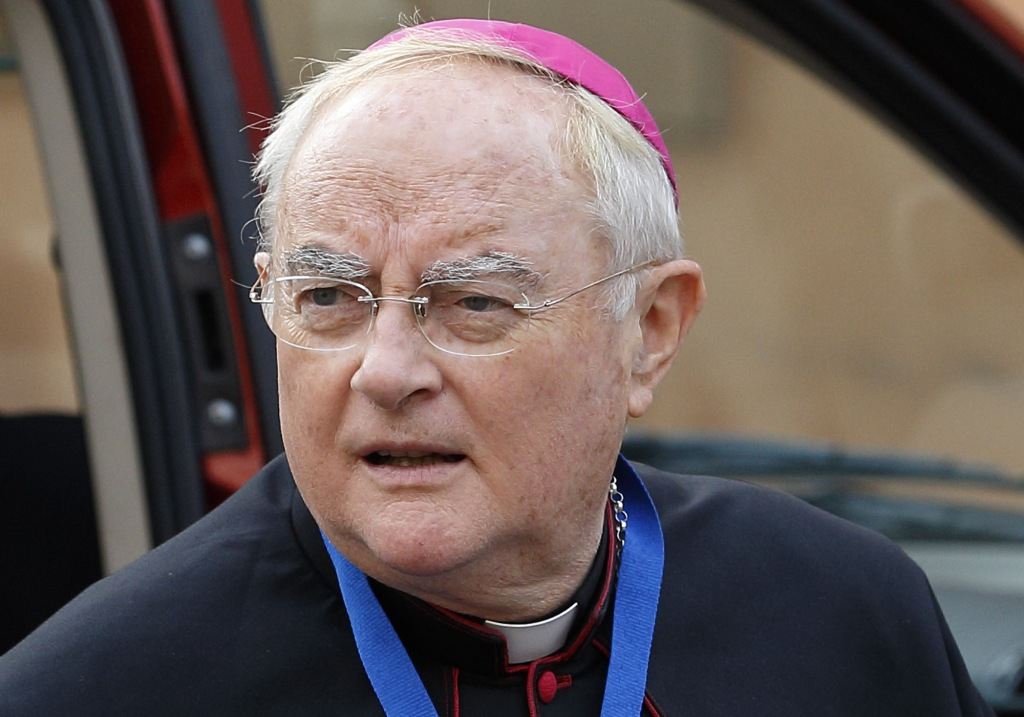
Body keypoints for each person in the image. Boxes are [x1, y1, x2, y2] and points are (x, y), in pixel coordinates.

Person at [0, 18, 994, 717]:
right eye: (330, 298)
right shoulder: (93, 689)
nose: (386, 372)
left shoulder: (846, 610)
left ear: (648, 329)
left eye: (473, 303)